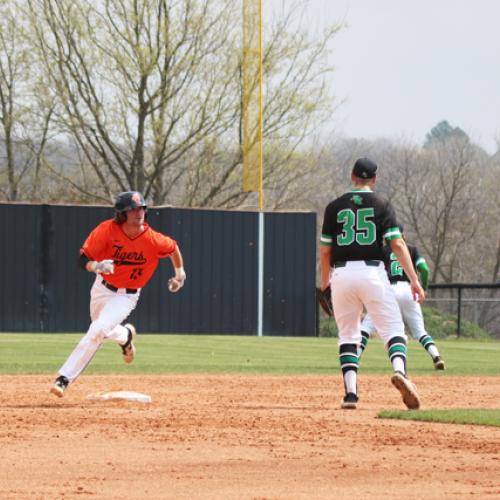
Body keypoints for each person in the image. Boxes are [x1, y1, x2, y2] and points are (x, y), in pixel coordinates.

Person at [50, 191, 186, 397]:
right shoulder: (107, 230)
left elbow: (173, 248)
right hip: (102, 288)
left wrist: (179, 274)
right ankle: (126, 336)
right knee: (101, 328)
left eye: (141, 208)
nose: (138, 213)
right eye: (133, 209)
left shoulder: (153, 239)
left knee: (97, 330)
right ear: (122, 213)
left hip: (127, 295)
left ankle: (64, 378)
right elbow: (82, 258)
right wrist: (96, 266)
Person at [320, 158, 425, 410]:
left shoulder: (334, 207)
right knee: (393, 329)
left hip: (342, 275)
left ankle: (351, 395)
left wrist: (326, 284)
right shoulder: (382, 204)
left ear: (351, 175)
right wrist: (414, 279)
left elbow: (325, 252)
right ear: (374, 179)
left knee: (347, 335)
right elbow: (397, 245)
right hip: (372, 273)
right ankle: (400, 372)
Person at [358, 230, 445, 370]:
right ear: (403, 234)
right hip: (408, 290)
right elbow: (424, 269)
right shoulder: (412, 250)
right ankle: (436, 357)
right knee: (420, 331)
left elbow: (370, 271)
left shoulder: (382, 251)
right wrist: (424, 288)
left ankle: (355, 356)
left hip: (388, 290)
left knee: (367, 326)